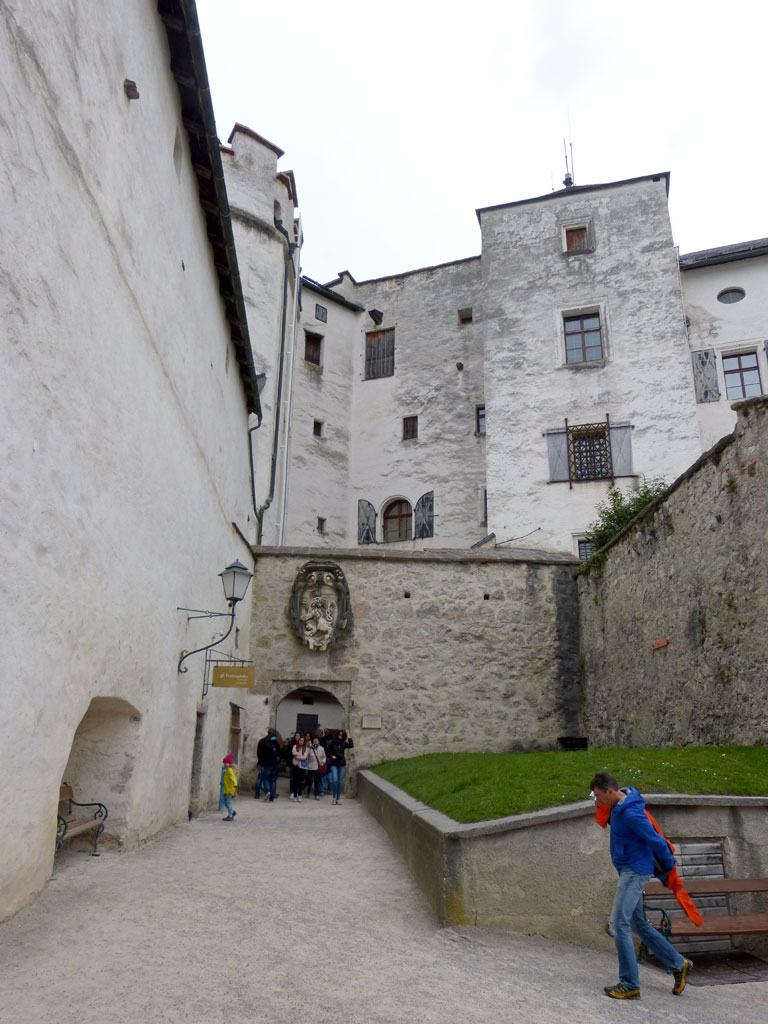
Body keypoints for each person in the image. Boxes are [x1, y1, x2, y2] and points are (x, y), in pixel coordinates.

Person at [590, 770, 693, 1000]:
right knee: (638, 924)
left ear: (609, 791)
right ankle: (679, 963)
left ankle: (630, 984)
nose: (597, 801)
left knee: (618, 924)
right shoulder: (617, 806)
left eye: (598, 796)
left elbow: (655, 839)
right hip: (629, 870)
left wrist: (668, 870)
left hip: (634, 872)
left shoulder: (630, 814)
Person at [327, 729, 354, 805]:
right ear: (337, 735)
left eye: (342, 735)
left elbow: (351, 745)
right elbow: (327, 752)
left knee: (339, 782)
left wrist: (348, 734)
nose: (340, 736)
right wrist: (332, 756)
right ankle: (334, 797)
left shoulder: (344, 743)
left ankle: (338, 799)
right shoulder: (332, 743)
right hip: (334, 763)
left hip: (341, 763)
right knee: (334, 780)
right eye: (339, 735)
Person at [256, 729, 282, 802]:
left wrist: (260, 762)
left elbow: (259, 753)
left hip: (267, 763)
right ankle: (272, 798)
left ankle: (267, 792)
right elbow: (281, 753)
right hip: (276, 764)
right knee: (273, 780)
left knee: (265, 779)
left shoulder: (263, 741)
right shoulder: (278, 741)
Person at [290, 732, 309, 802]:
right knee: (295, 781)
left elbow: (304, 757)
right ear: (298, 741)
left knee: (301, 781)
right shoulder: (295, 746)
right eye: (300, 740)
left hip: (302, 767)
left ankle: (299, 795)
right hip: (295, 765)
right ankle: (295, 795)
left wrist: (297, 756)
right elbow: (293, 753)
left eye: (303, 740)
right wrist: (300, 754)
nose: (301, 741)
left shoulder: (306, 748)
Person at [221, 753, 238, 821]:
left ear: (229, 763)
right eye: (224, 763)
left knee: (227, 802)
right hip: (226, 789)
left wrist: (235, 784)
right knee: (223, 801)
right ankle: (232, 811)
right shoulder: (226, 770)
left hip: (229, 790)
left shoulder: (230, 771)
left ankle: (230, 816)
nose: (225, 764)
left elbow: (233, 778)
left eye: (226, 763)